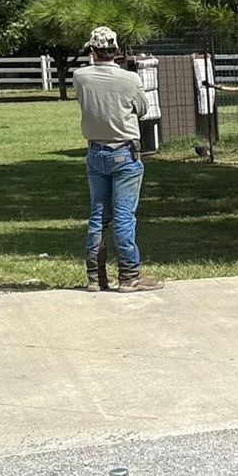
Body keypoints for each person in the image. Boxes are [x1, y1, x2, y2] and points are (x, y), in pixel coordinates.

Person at [72, 26, 162, 292]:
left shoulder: (80, 77)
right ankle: (129, 275)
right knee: (124, 216)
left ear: (92, 50)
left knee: (98, 215)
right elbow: (143, 109)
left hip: (95, 151)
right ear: (116, 51)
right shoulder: (129, 79)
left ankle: (95, 276)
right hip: (125, 151)